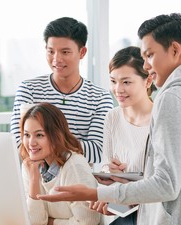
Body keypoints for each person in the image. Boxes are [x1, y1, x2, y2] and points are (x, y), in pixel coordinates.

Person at [38, 13, 181, 225]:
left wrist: (93, 193)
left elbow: (166, 185)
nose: (147, 65)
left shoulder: (173, 98)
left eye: (149, 55)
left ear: (174, 50)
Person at [10, 17, 113, 164]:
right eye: (51, 51)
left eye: (65, 52)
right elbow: (19, 146)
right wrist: (71, 146)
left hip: (78, 182)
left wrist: (43, 143)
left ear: (82, 52)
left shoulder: (100, 98)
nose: (56, 59)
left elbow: (97, 152)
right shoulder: (28, 90)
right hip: (35, 181)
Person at [97, 46, 155, 225]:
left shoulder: (160, 120)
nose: (118, 89)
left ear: (148, 80)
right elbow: (106, 164)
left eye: (126, 82)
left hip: (151, 215)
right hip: (121, 209)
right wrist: (110, 171)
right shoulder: (112, 117)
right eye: (113, 81)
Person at [20, 102, 100, 225]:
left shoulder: (74, 166)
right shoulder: (30, 166)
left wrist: (52, 223)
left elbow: (87, 223)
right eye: (27, 135)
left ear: (56, 135)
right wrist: (34, 180)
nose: (31, 143)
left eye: (39, 135)